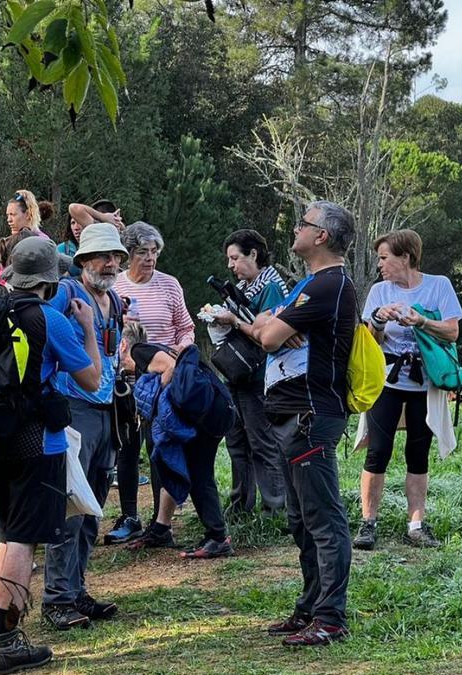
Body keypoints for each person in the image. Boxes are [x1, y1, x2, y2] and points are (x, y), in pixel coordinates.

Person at [0, 237, 102, 673]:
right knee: (24, 539)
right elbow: (93, 380)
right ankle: (7, 641)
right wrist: (88, 331)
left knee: (6, 534)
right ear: (50, 280)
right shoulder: (49, 320)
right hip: (39, 442)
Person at [252, 201, 358, 647]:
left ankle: (330, 618)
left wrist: (273, 323)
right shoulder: (308, 285)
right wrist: (269, 321)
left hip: (311, 416)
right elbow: (263, 329)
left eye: (304, 223)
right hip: (293, 416)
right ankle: (312, 607)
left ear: (321, 237)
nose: (295, 228)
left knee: (323, 519)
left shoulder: (330, 285)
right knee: (301, 519)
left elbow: (269, 336)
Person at [353, 229, 462, 551]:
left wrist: (420, 322)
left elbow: (452, 332)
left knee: (417, 453)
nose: (380, 265)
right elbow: (368, 342)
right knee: (378, 451)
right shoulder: (379, 291)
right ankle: (368, 522)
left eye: (385, 258)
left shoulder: (438, 286)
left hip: (424, 382)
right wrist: (376, 319)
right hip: (386, 380)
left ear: (406, 257)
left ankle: (416, 524)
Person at [41, 223, 127, 630]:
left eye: (115, 257)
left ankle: (76, 589)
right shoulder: (66, 293)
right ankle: (56, 598)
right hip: (72, 408)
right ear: (82, 261)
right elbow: (43, 336)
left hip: (106, 411)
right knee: (69, 506)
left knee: (92, 509)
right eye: (101, 256)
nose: (109, 263)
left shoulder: (114, 300)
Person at [106, 221, 196, 544]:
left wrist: (178, 350)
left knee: (159, 444)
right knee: (126, 446)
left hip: (163, 379)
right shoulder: (114, 287)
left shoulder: (170, 285)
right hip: (126, 378)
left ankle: (162, 521)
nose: (150, 258)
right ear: (128, 254)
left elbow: (187, 327)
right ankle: (130, 515)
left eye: (154, 252)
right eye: (142, 252)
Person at [121, 322, 234, 558]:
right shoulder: (156, 348)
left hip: (206, 414)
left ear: (123, 345)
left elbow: (172, 368)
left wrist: (154, 391)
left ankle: (217, 536)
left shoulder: (138, 351)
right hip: (215, 408)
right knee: (192, 471)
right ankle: (194, 531)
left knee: (198, 475)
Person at [211, 229, 289, 515]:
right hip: (235, 374)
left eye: (235, 258)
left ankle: (275, 508)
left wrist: (233, 320)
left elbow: (269, 335)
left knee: (261, 441)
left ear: (253, 254)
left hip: (257, 377)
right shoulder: (245, 287)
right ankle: (240, 505)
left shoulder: (271, 288)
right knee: (236, 441)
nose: (231, 266)